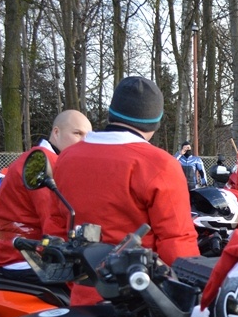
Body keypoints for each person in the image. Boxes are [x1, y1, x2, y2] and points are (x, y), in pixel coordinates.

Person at [52, 76, 199, 305]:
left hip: (82, 295)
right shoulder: (159, 164)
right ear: (154, 122)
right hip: (140, 299)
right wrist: (190, 295)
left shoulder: (66, 158)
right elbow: (176, 241)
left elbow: (57, 227)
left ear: (112, 112)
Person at [0, 110, 92, 280]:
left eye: (87, 136)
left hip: (23, 251)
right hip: (24, 257)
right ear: (56, 132)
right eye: (77, 133)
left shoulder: (42, 158)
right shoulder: (44, 163)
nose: (83, 141)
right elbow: (53, 220)